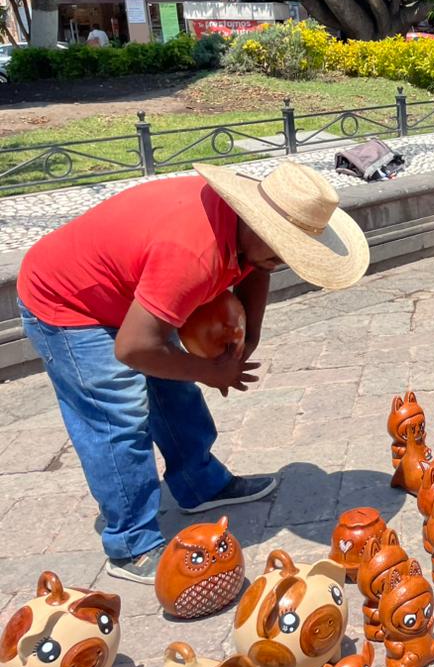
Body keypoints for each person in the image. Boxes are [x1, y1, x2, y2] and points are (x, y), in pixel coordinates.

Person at [17, 161, 370, 583]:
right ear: (254, 223)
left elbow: (258, 268)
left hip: (131, 293)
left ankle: (201, 484)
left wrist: (248, 339)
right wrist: (209, 372)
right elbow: (132, 347)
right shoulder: (193, 255)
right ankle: (131, 543)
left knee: (174, 392)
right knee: (118, 416)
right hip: (68, 304)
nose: (284, 260)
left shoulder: (247, 234)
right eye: (282, 248)